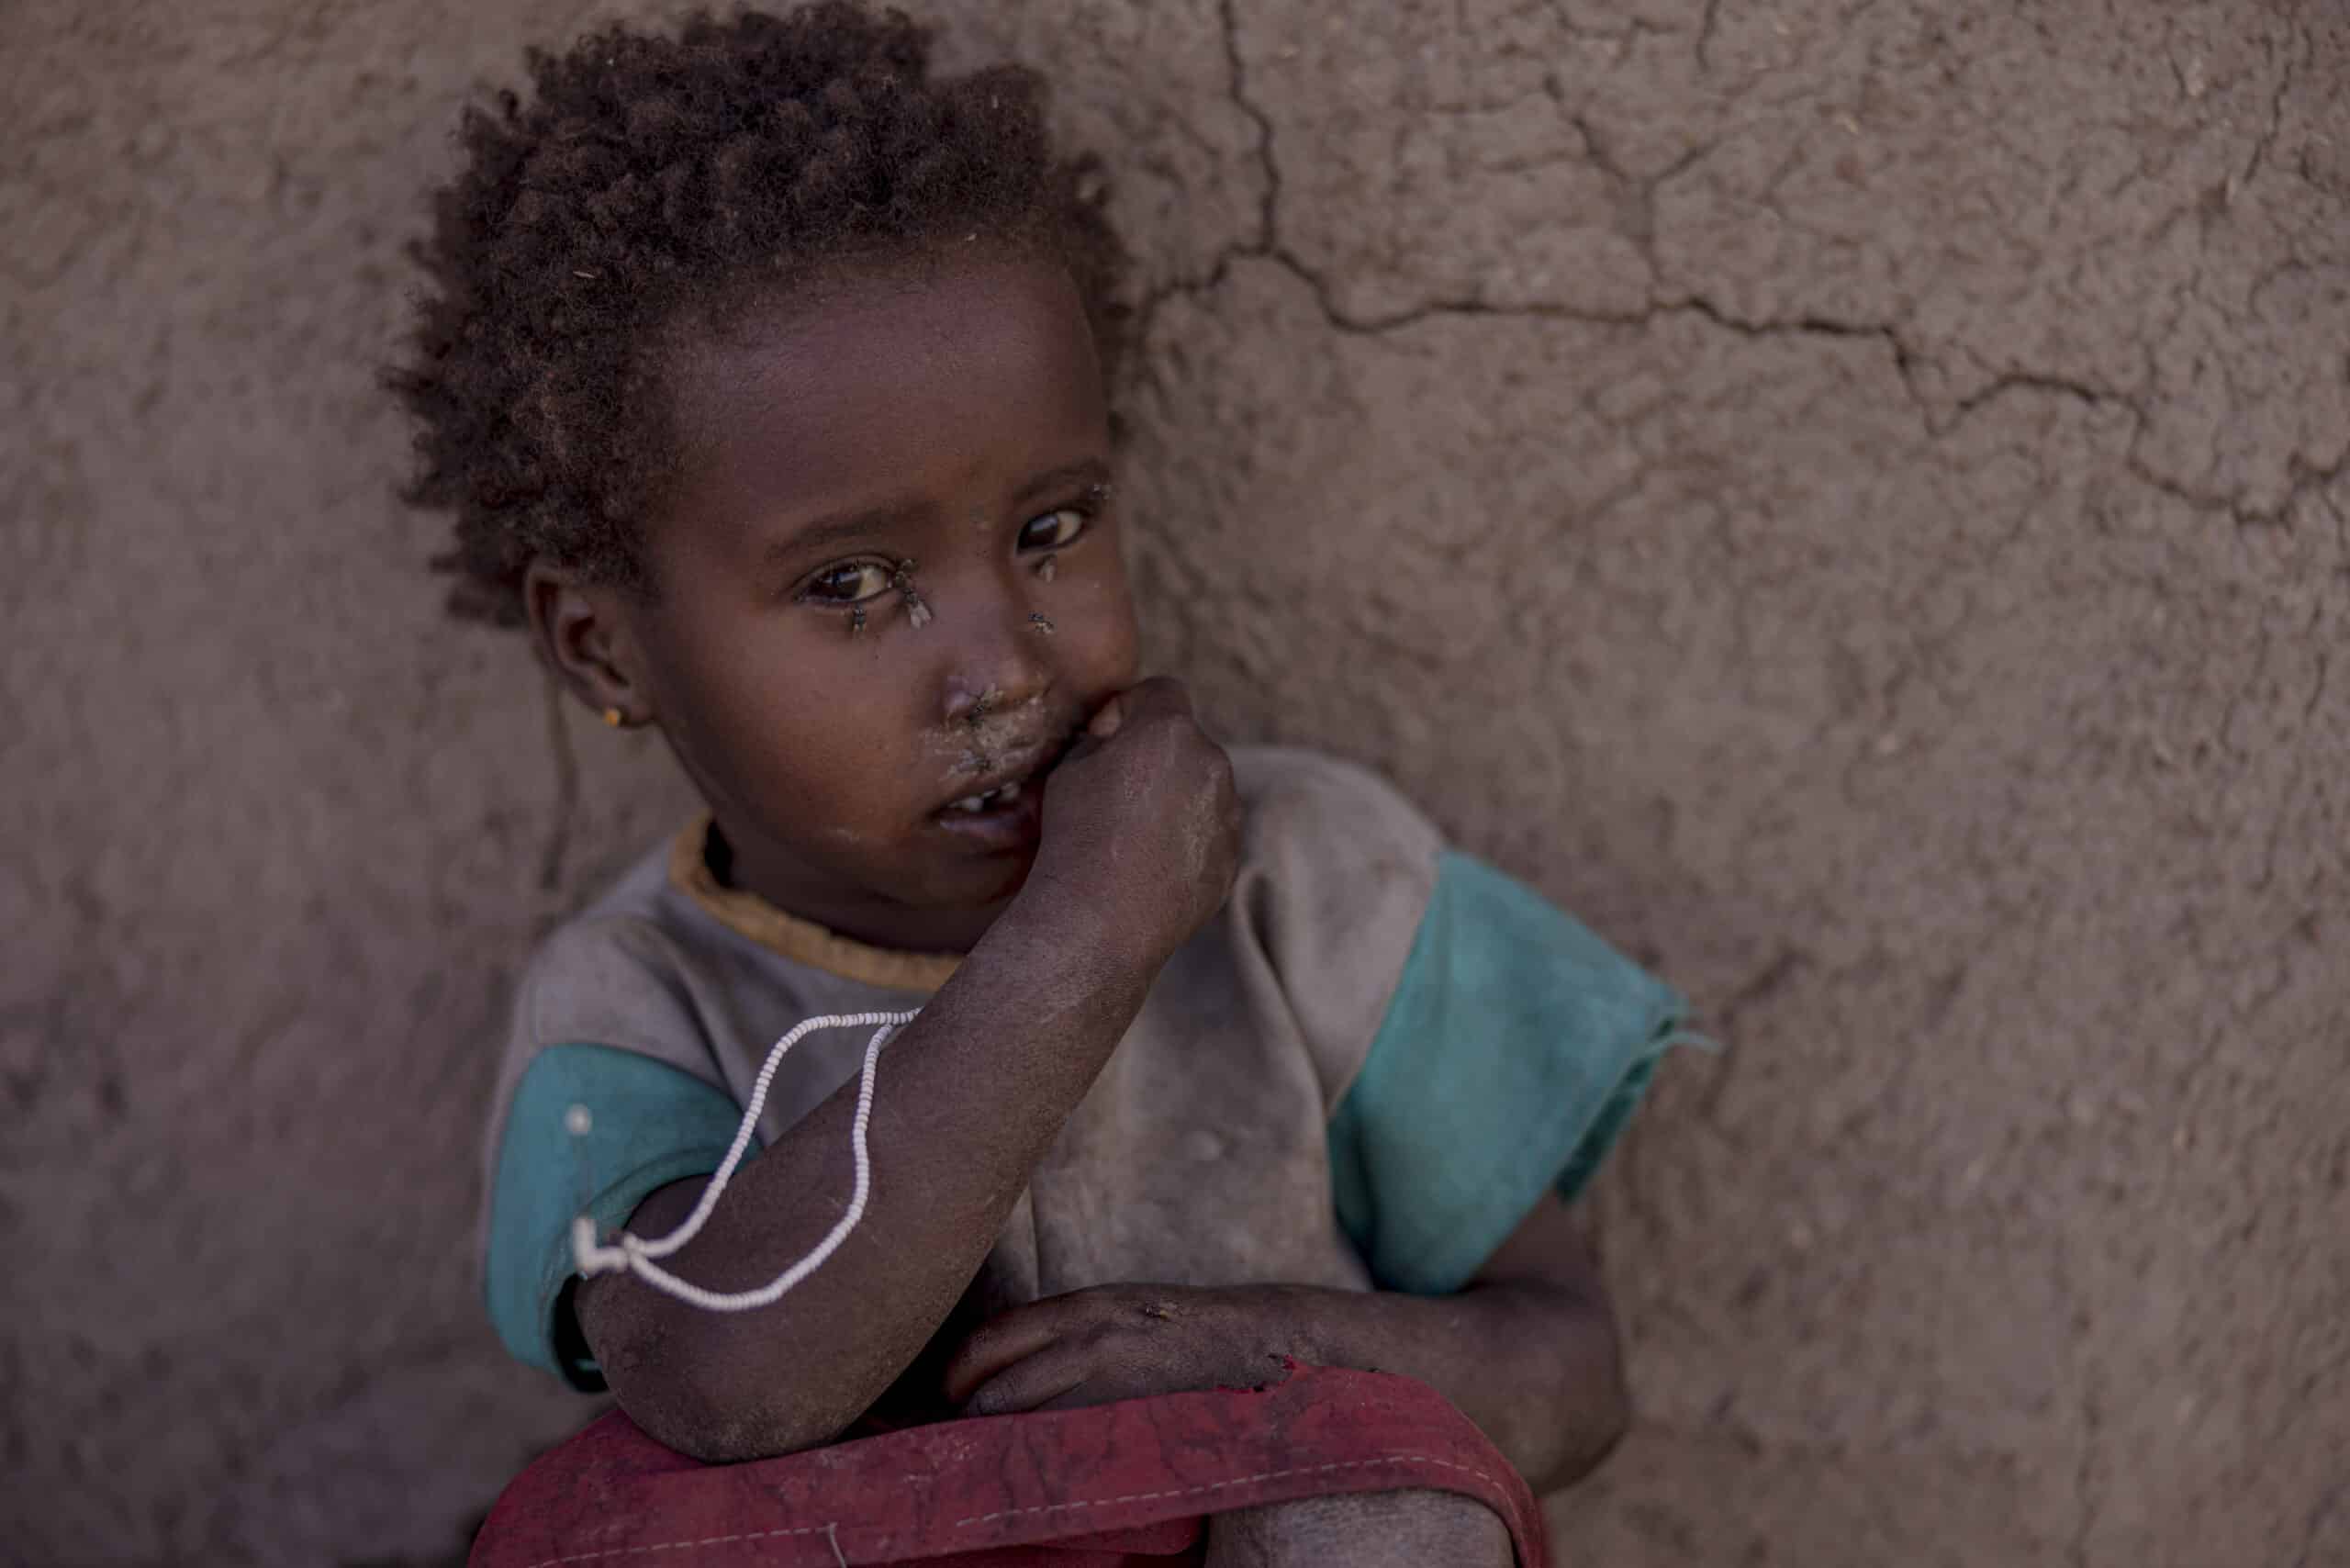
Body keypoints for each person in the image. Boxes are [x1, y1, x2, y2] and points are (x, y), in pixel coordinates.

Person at [391, 6, 1691, 1562]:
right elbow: (722, 1378)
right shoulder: (632, 1009)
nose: (1003, 666)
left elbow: (1572, 1370)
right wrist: (1087, 939)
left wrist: (1255, 1351)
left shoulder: (1315, 883)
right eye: (857, 582)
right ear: (605, 648)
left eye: (1053, 531)